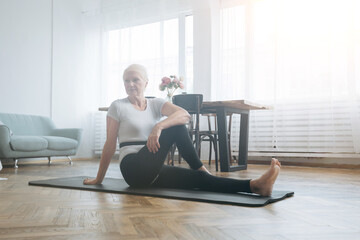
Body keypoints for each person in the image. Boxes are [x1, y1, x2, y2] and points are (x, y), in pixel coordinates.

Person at [83, 64, 281, 197]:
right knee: (176, 126)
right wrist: (99, 179)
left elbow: (185, 114)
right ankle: (202, 170)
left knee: (200, 181)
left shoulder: (155, 104)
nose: (130, 84)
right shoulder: (117, 106)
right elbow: (109, 144)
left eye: (135, 79)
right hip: (133, 168)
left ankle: (255, 186)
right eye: (126, 81)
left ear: (146, 82)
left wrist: (159, 126)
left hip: (153, 168)